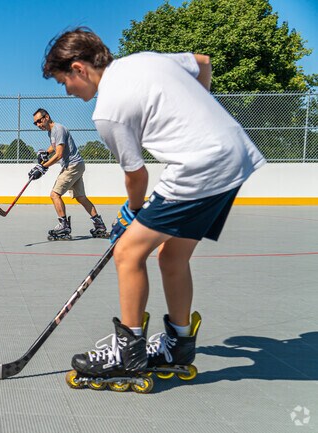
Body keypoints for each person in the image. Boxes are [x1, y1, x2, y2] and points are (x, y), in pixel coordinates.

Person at [41, 27, 265, 384]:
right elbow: (201, 62)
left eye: (63, 81)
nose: (67, 90)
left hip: (200, 167)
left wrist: (131, 211)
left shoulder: (108, 110)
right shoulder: (145, 60)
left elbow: (136, 176)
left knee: (128, 253)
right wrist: (196, 114)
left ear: (80, 68)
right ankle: (179, 344)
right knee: (172, 256)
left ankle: (128, 355)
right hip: (235, 155)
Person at [28, 108, 108, 240]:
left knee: (54, 195)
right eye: (35, 123)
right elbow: (55, 147)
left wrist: (42, 167)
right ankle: (99, 225)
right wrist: (46, 153)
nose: (37, 125)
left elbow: (59, 154)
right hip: (77, 165)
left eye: (39, 121)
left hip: (72, 166)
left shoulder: (58, 129)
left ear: (46, 117)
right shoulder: (51, 132)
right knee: (81, 197)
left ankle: (64, 225)